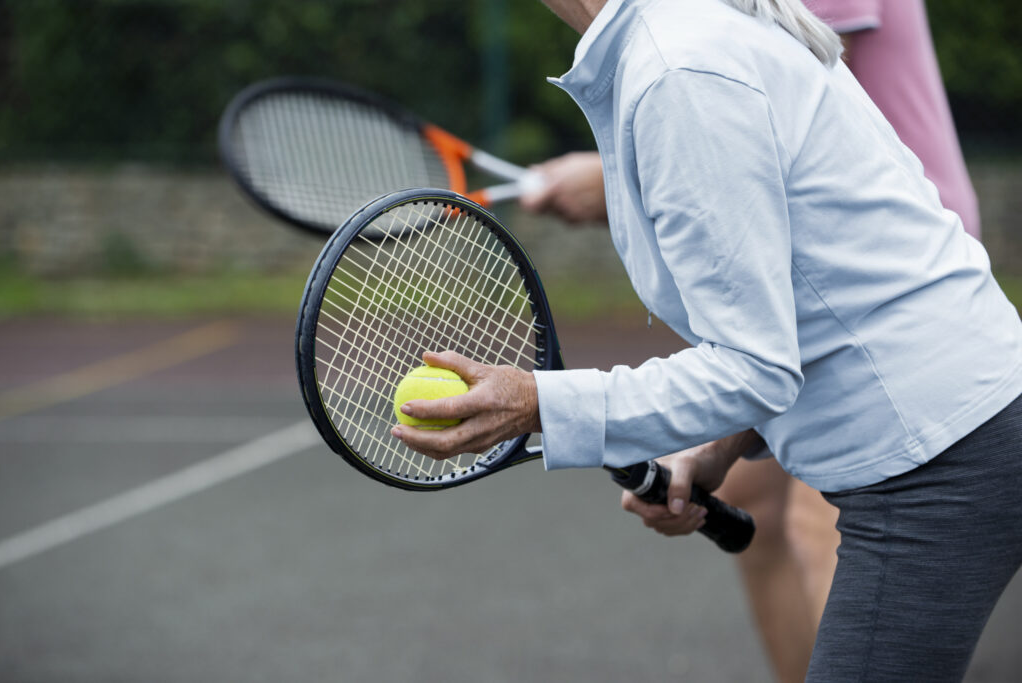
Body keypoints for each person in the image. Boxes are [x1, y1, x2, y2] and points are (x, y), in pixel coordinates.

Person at [390, 1, 1022, 680]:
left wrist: (538, 401)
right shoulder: (685, 36)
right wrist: (716, 444)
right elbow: (807, 300)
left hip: (940, 457)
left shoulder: (677, 66)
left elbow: (754, 366)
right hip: (965, 424)